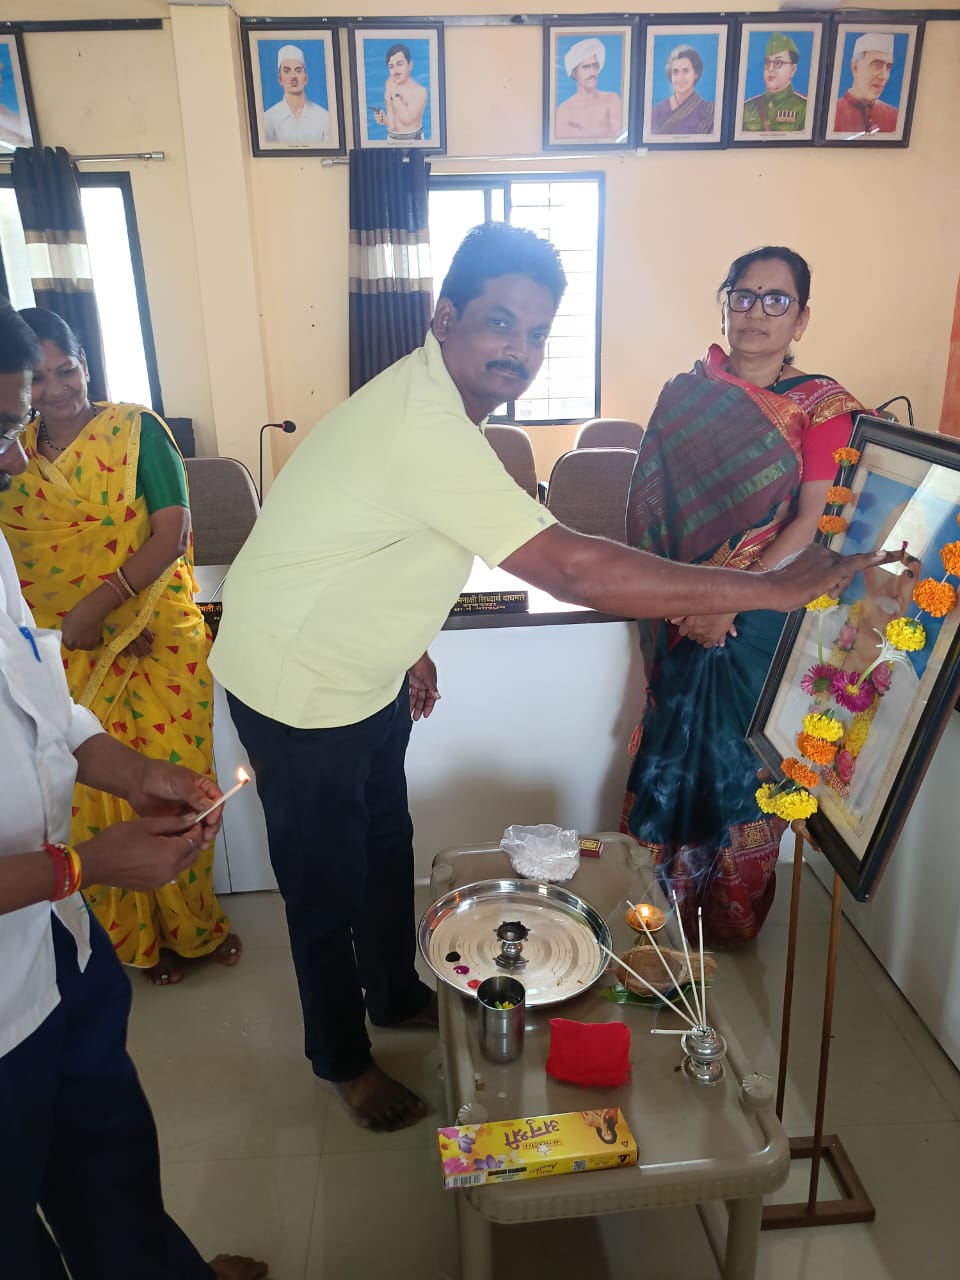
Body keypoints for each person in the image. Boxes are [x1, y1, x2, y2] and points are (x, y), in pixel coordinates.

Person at [208, 221, 888, 1132]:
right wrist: (768, 588)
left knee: (383, 848)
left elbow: (376, 539)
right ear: (444, 317)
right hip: (296, 684)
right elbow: (571, 566)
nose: (519, 351)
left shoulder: (439, 404)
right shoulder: (423, 424)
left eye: (536, 334)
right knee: (325, 878)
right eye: (500, 323)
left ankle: (393, 993)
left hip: (361, 668)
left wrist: (408, 643)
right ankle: (341, 1059)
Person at [0, 302, 267, 1279]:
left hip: (60, 958)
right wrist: (82, 864)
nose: (16, 459)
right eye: (4, 428)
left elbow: (43, 705)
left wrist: (141, 771)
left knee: (113, 1181)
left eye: (17, 420)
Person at [621, 246, 869, 946]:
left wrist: (733, 597)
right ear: (725, 304)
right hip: (679, 612)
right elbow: (650, 512)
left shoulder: (823, 408)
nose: (757, 312)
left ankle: (725, 917)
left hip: (757, 620)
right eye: (743, 295)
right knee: (669, 750)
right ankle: (653, 908)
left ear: (801, 318)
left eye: (776, 299)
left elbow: (816, 521)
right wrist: (681, 599)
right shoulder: (686, 394)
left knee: (737, 766)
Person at [0, 307, 242, 986]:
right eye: (41, 378)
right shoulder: (16, 454)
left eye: (68, 369)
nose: (56, 389)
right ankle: (133, 940)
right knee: (87, 798)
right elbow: (26, 566)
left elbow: (172, 535)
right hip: (63, 647)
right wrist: (79, 625)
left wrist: (105, 609)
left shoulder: (135, 432)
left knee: (177, 785)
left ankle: (195, 926)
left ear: (87, 365)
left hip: (157, 636)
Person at [555, 37, 623, 141]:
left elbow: (619, 140)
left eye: (595, 66)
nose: (592, 72)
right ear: (574, 73)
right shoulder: (563, 110)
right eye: (586, 67)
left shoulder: (612, 100)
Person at [262, 44, 330, 145]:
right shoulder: (268, 119)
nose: (293, 76)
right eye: (287, 71)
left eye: (298, 71)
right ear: (279, 79)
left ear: (306, 78)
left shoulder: (324, 117)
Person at [834, 33, 898, 134]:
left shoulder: (895, 117)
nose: (884, 76)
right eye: (877, 65)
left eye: (888, 67)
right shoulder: (833, 113)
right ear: (855, 68)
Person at [742, 33, 807, 132]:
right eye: (767, 62)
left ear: (792, 69)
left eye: (778, 63)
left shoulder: (804, 108)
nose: (770, 68)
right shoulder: (747, 108)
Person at [650, 45, 715, 136]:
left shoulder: (709, 111)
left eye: (685, 71)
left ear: (696, 73)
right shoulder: (658, 111)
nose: (680, 78)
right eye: (675, 72)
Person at [372, 43, 427, 143]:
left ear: (410, 65)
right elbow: (393, 125)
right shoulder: (389, 91)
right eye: (391, 67)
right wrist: (384, 120)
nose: (395, 71)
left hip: (414, 141)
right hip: (391, 140)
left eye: (400, 64)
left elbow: (407, 120)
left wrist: (394, 94)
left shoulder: (420, 91)